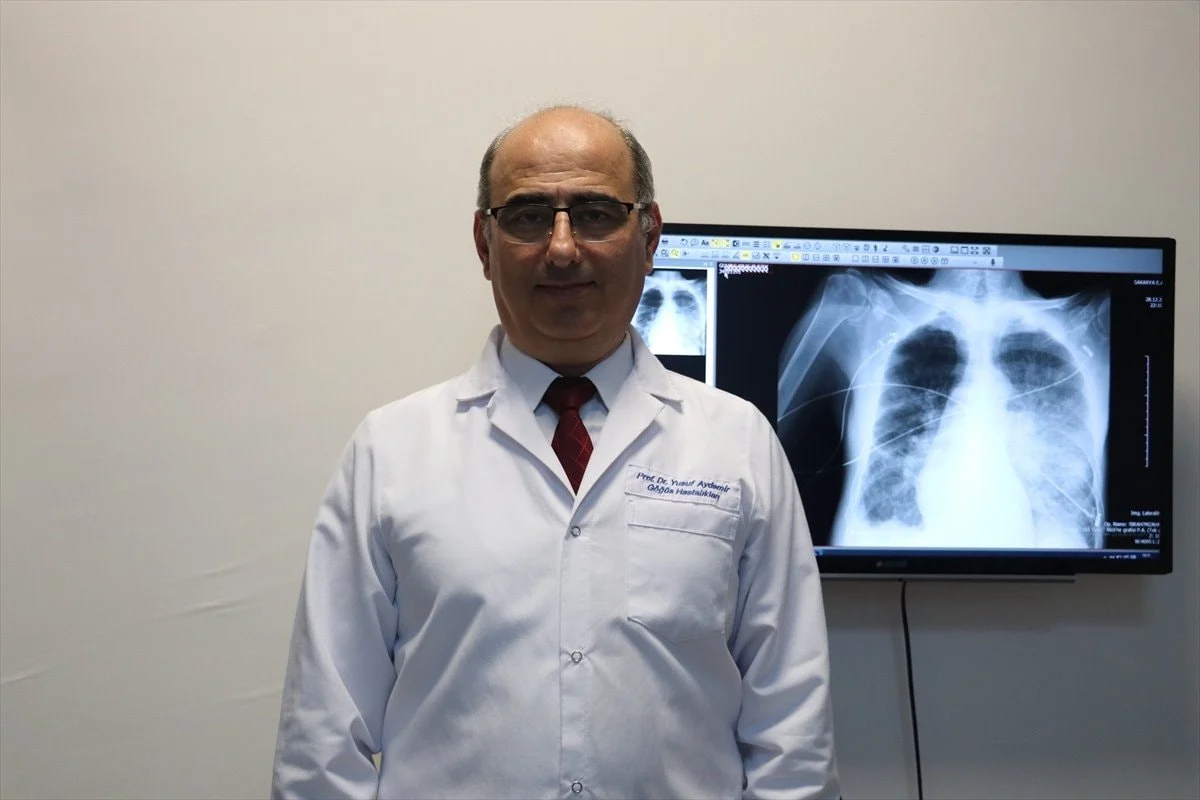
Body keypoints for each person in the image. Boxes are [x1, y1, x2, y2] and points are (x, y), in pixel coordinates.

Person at [270, 105, 840, 799]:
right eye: (529, 216)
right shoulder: (390, 451)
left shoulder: (737, 442)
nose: (563, 248)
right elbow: (323, 740)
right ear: (484, 243)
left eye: (596, 214)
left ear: (650, 236)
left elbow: (792, 731)